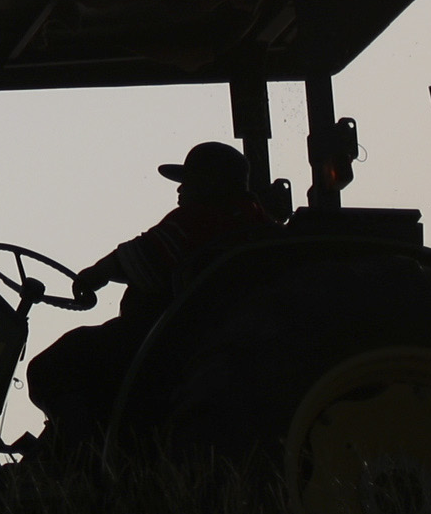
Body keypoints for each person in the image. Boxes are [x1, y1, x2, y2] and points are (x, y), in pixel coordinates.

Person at [24, 142, 278, 442]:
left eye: (189, 181)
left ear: (212, 182)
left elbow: (141, 257)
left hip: (163, 338)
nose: (180, 190)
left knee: (51, 367)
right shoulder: (257, 222)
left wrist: (94, 275)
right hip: (196, 334)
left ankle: (79, 455)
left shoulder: (201, 218)